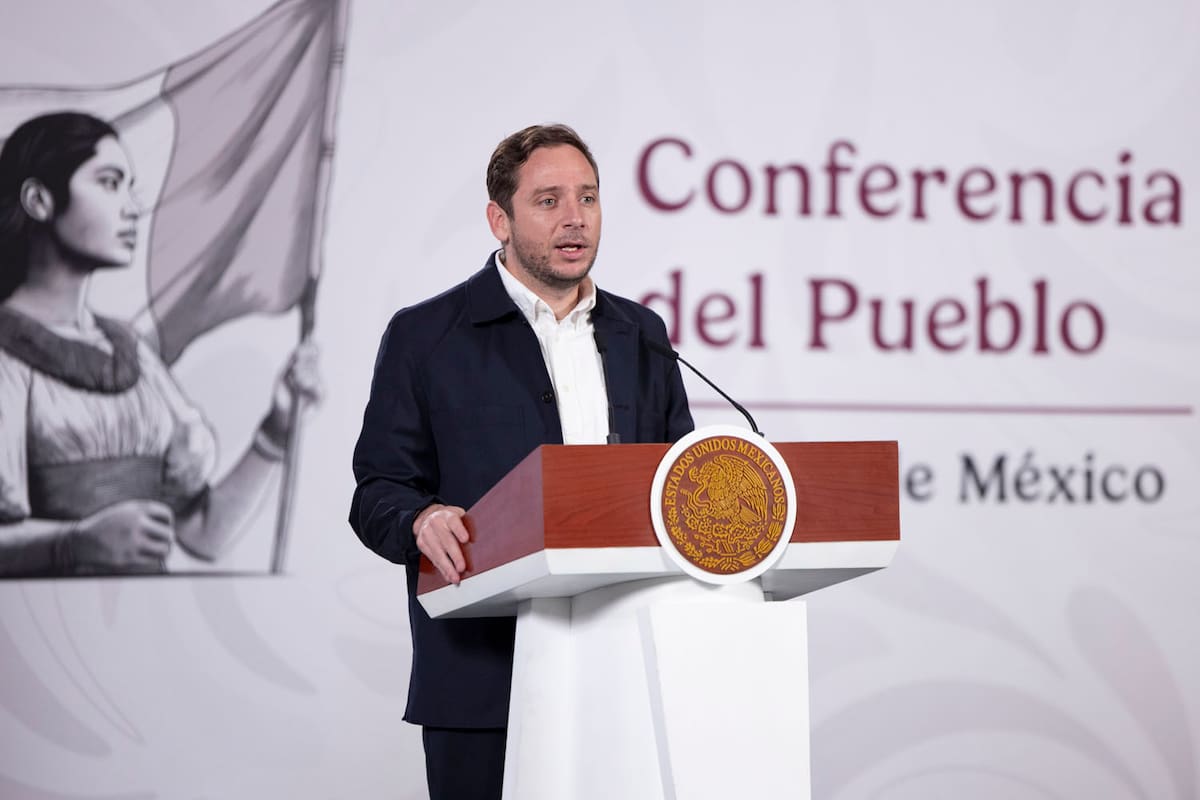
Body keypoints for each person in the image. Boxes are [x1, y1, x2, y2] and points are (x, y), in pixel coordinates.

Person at [349, 124, 694, 799]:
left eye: (589, 198)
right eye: (549, 200)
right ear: (498, 219)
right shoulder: (427, 336)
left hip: (623, 669)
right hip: (482, 681)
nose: (575, 218)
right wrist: (419, 520)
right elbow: (378, 489)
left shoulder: (641, 335)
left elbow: (677, 486)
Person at [0, 111, 319, 577]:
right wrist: (74, 543)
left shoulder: (130, 352)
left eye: (130, 187)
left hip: (145, 632)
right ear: (38, 200)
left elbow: (203, 534)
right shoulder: (7, 357)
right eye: (109, 183)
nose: (131, 207)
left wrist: (276, 429)